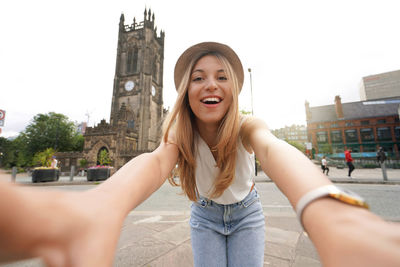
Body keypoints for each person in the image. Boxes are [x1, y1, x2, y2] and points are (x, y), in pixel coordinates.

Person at [1, 42, 400, 267]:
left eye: (221, 76)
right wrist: (101, 205)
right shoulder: (178, 130)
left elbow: (275, 151)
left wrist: (329, 208)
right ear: (186, 92)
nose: (211, 84)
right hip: (205, 216)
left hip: (247, 213)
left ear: (234, 89)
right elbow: (156, 162)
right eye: (199, 77)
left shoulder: (247, 125)